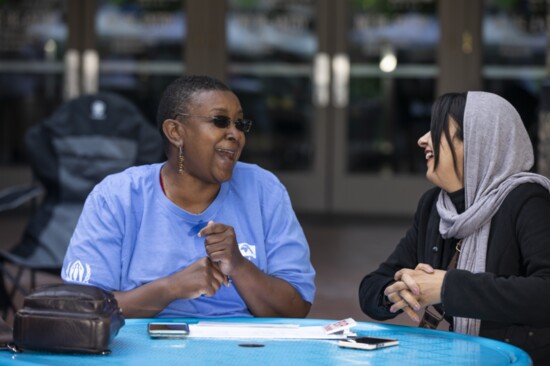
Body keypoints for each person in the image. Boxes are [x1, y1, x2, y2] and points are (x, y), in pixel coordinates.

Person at [61, 75, 315, 319]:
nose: (235, 134)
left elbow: (297, 306)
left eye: (240, 124)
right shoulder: (117, 197)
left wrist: (238, 265)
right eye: (220, 121)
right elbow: (80, 307)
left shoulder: (263, 190)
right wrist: (171, 288)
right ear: (175, 132)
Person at [359, 91, 550, 364]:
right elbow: (371, 287)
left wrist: (447, 288)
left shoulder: (526, 199)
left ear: (477, 143)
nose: (422, 139)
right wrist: (397, 290)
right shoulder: (434, 206)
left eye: (436, 131)